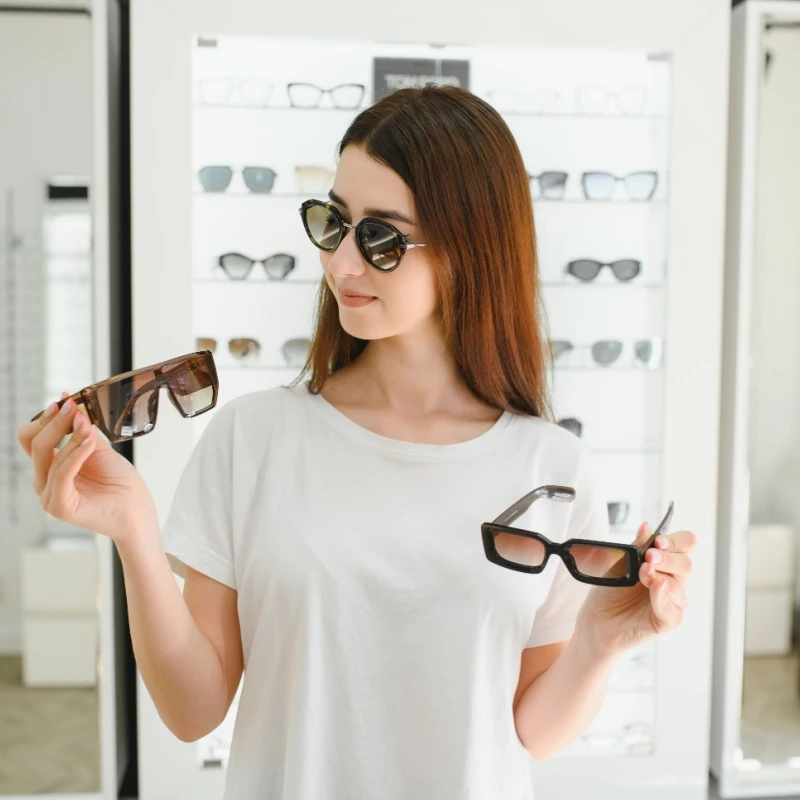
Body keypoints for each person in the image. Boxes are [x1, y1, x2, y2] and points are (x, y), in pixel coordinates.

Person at [16, 85, 696, 800]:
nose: (341, 263)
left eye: (381, 238)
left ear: (471, 247)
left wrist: (599, 643)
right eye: (335, 223)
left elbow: (532, 734)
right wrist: (134, 532)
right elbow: (193, 711)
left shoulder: (552, 466)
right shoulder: (256, 437)